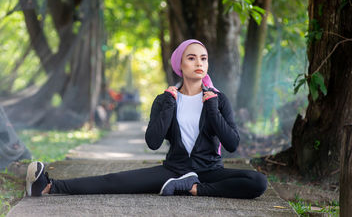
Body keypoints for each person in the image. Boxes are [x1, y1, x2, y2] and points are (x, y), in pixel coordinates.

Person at [26, 39, 267, 198]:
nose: (199, 63)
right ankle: (48, 186)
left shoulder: (218, 99)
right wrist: (169, 107)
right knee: (115, 181)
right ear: (180, 65)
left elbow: (233, 144)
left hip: (209, 172)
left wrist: (212, 108)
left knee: (257, 182)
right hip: (175, 170)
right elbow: (152, 142)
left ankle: (193, 189)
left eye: (203, 58)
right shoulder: (164, 100)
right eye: (191, 58)